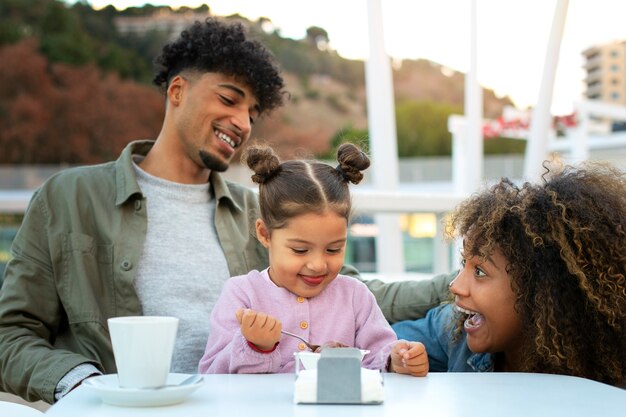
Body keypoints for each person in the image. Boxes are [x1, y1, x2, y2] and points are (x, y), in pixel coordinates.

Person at [0, 18, 451, 403]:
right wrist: (86, 385)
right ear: (177, 90)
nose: (243, 122)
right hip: (123, 407)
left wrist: (457, 282)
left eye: (253, 112)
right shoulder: (68, 198)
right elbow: (11, 333)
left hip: (235, 406)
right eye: (230, 99)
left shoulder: (256, 210)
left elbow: (352, 289)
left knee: (453, 324)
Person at [199, 144, 428, 376]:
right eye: (300, 250)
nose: (318, 265)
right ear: (265, 234)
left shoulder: (355, 296)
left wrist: (398, 359)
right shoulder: (242, 294)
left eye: (333, 249)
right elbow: (211, 373)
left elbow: (379, 354)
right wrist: (254, 346)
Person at [392, 163, 626, 387]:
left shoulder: (606, 377)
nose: (455, 286)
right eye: (465, 263)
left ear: (539, 294)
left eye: (480, 271)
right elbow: (372, 343)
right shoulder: (454, 330)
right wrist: (397, 358)